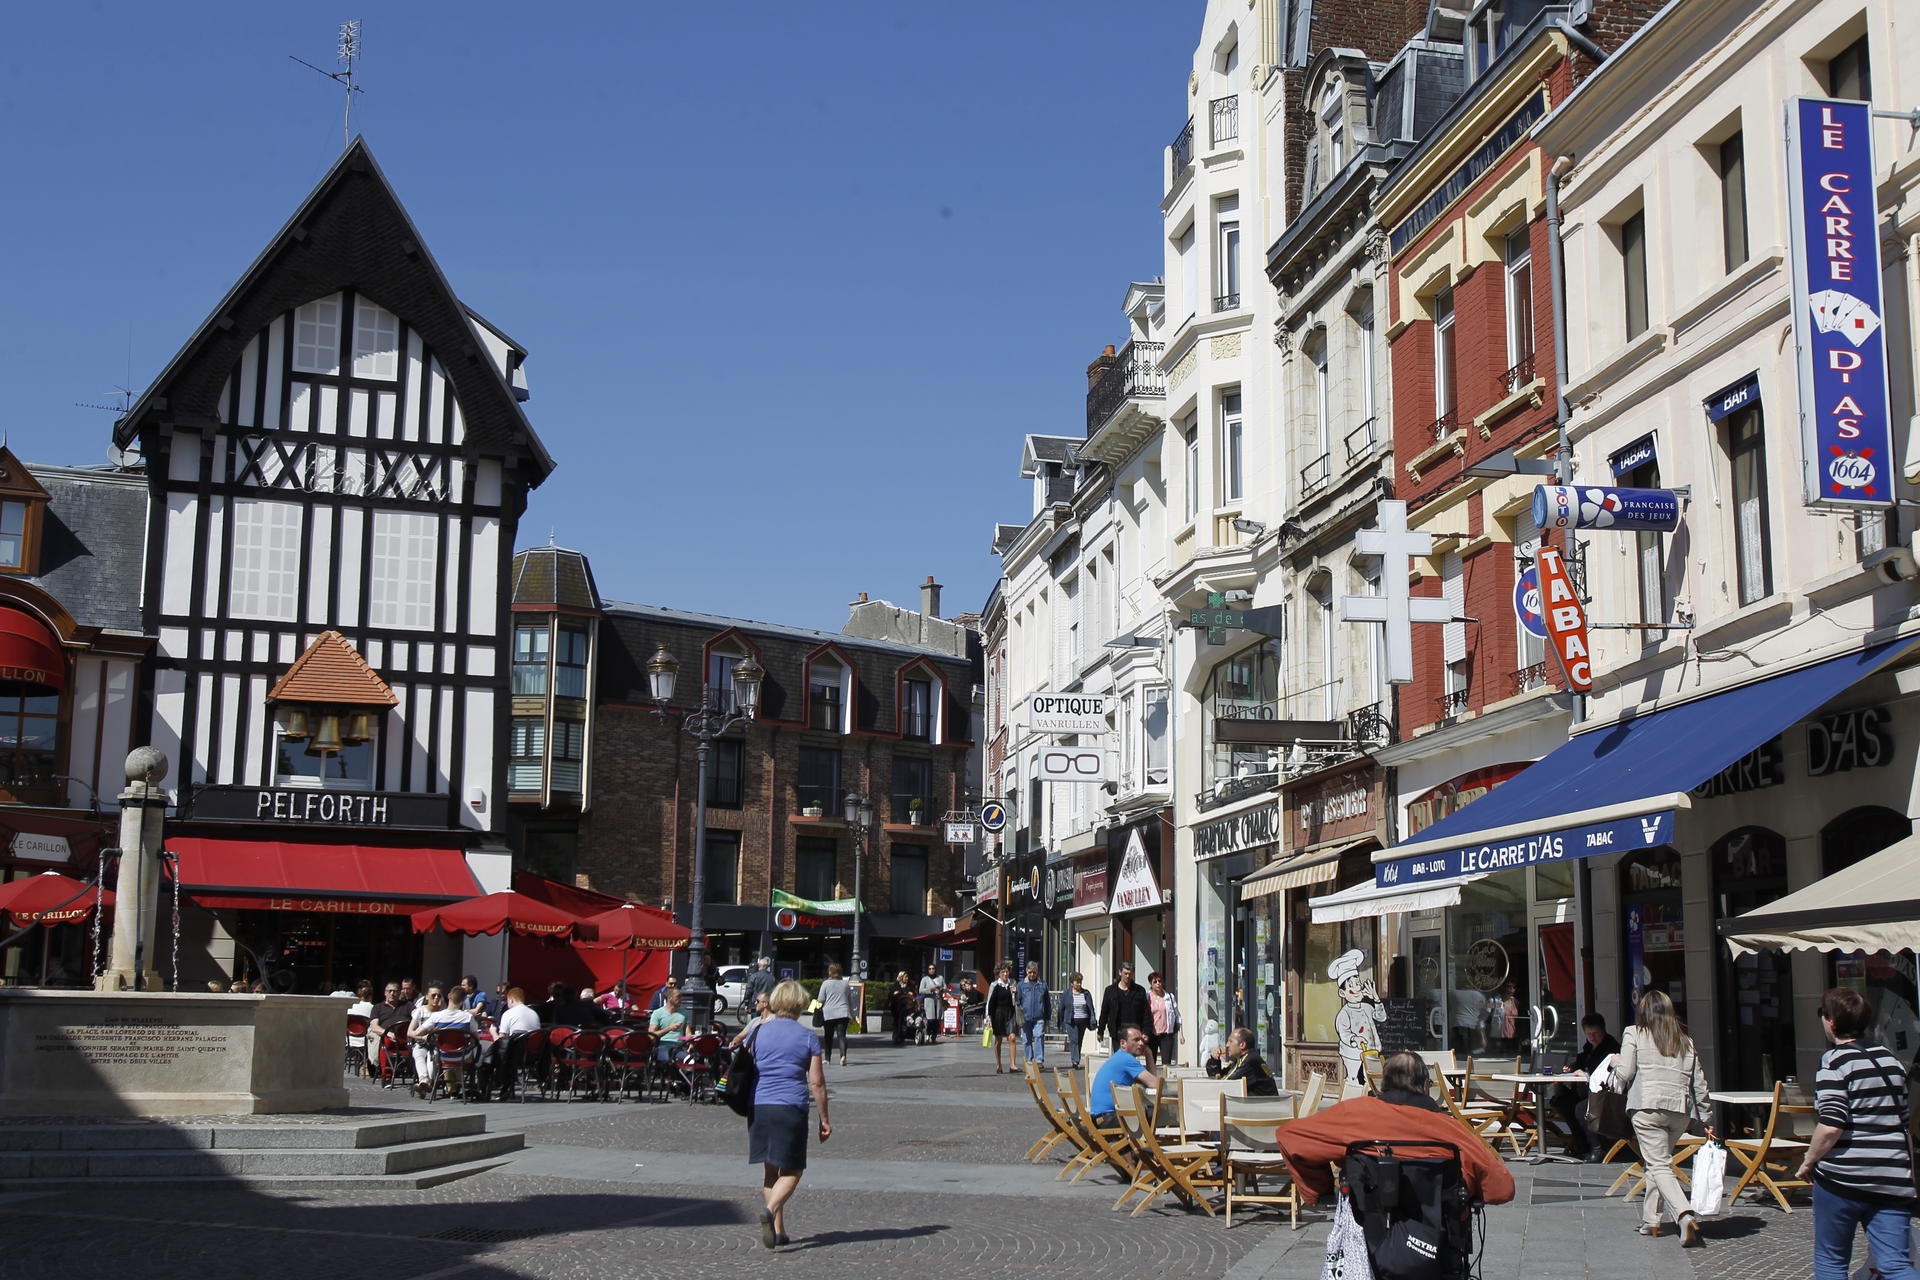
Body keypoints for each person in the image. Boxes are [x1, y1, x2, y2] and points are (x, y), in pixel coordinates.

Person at [1277, 1051, 1515, 1205]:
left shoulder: (1355, 1114)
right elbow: (1502, 1189)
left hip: (1370, 1221)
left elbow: (1290, 1136)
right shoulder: (1450, 1129)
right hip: (1437, 1229)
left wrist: (1321, 1191)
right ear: (1425, 1086)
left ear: (1384, 1084)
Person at [1796, 986, 1916, 1280]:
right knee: (1896, 1265)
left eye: (1822, 1014)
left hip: (1843, 1178)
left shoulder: (1834, 1062)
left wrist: (1809, 1161)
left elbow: (1832, 1124)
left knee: (1831, 1261)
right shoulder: (1891, 1061)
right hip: (1892, 1179)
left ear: (1831, 1022)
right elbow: (1902, 1122)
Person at [1611, 989, 1715, 1247]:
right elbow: (1699, 1083)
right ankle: (1651, 1220)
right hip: (1679, 1111)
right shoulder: (1685, 1041)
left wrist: (1615, 1060)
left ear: (1643, 1012)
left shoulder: (1634, 1033)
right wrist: (1707, 1117)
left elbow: (1625, 1072)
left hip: (1647, 1107)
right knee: (1657, 1162)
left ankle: (1684, 1214)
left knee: (1659, 1165)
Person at [745, 979, 831, 1250]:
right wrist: (824, 1119)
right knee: (793, 1169)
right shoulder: (806, 1036)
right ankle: (770, 1211)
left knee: (771, 1171)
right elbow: (816, 1082)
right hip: (790, 1107)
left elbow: (747, 1068)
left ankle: (779, 1231)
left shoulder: (757, 1032)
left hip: (759, 1106)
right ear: (800, 1004)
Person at [1551, 1013, 1621, 1161]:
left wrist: (1585, 1073)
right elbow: (1582, 1064)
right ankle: (1580, 1142)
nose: (1592, 1037)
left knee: (1581, 1108)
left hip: (1606, 1094)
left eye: (1595, 1033)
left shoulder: (1611, 1048)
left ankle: (1597, 1147)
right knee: (1561, 1100)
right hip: (1587, 1090)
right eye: (1588, 1034)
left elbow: (1605, 1073)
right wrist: (1573, 1068)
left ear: (1603, 1031)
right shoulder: (1588, 1048)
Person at [407, 983, 474, 1098]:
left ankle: (426, 1084)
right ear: (427, 997)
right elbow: (410, 1032)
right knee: (419, 1054)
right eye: (433, 995)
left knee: (433, 1057)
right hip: (422, 1042)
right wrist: (423, 1037)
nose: (436, 998)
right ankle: (425, 1081)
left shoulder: (443, 1012)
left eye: (439, 995)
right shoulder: (420, 1011)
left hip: (438, 1046)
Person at [1088, 1024, 1162, 1124]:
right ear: (1123, 1043)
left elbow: (1151, 1083)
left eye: (1142, 1040)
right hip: (1109, 1119)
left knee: (1153, 1112)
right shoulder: (1126, 1059)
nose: (1141, 1043)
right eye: (1136, 1040)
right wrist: (1149, 1055)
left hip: (1100, 1118)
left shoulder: (1120, 1057)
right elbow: (1156, 1084)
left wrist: (1148, 1054)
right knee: (1163, 1113)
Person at [1205, 1026, 1279, 1096]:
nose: (1227, 1045)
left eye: (1230, 1041)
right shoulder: (1244, 1058)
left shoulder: (1249, 1062)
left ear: (1242, 1045)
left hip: (1263, 1107)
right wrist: (1214, 1060)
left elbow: (1224, 1084)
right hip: (1259, 1105)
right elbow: (1220, 1077)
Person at [1097, 964, 1150, 1051]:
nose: (1128, 976)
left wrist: (1146, 1031)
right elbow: (1104, 1012)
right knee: (1119, 1056)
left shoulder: (1139, 991)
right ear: (1120, 972)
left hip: (1134, 1031)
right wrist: (1100, 1031)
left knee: (1131, 1057)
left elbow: (1146, 1013)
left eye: (1130, 974)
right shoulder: (1110, 990)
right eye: (1125, 973)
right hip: (1117, 1031)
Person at [1146, 971, 1183, 1069]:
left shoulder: (1169, 997)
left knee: (1166, 1064)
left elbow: (1177, 1016)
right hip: (1152, 1034)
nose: (1158, 983)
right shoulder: (1147, 997)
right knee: (1150, 1063)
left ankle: (1165, 1082)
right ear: (1151, 984)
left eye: (1159, 981)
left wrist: (1181, 1035)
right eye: (1155, 982)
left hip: (1166, 1034)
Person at [818, 963, 852, 1067]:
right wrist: (852, 1014)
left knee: (828, 1036)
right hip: (843, 1013)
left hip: (829, 1014)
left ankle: (827, 1058)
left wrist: (811, 1010)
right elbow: (849, 1001)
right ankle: (843, 1056)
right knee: (842, 1036)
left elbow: (820, 999)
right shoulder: (845, 984)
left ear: (830, 972)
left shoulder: (825, 984)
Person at [1016, 962, 1050, 1068]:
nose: (1032, 974)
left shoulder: (1042, 984)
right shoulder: (1021, 985)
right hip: (1025, 1017)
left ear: (1037, 972)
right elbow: (1018, 1001)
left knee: (1039, 1036)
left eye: (1034, 972)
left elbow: (1047, 1002)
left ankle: (1039, 1061)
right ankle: (1029, 1060)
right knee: (1026, 1040)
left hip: (1039, 1016)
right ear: (1026, 971)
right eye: (1030, 972)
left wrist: (1048, 1016)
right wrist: (1019, 1013)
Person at [986, 963, 1018, 1073]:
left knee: (1012, 1037)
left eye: (1007, 971)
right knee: (998, 1040)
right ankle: (999, 1065)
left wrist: (1015, 993)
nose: (1005, 974)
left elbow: (1016, 1001)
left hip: (1010, 1013)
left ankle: (1013, 1065)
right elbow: (989, 1002)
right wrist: (988, 1018)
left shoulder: (1012, 983)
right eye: (1003, 972)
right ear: (999, 974)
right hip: (998, 1014)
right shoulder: (994, 985)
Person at [649, 985, 689, 1069]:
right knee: (668, 1061)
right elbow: (651, 1035)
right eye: (678, 997)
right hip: (663, 1046)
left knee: (691, 1061)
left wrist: (691, 1042)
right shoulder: (657, 1013)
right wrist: (669, 1028)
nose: (681, 999)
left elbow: (688, 1032)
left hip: (679, 1046)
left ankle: (685, 1081)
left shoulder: (684, 1013)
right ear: (670, 998)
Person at [1064, 972, 1095, 1068]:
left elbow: (1090, 1007)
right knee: (1074, 1040)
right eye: (1077, 982)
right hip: (1071, 1021)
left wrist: (1092, 1018)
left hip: (1083, 1020)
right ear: (1072, 983)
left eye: (1080, 982)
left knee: (1079, 1040)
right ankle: (1075, 1061)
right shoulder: (1067, 994)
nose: (1079, 984)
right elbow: (1062, 1008)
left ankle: (1076, 1059)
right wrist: (1060, 1022)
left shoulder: (1086, 993)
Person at [1449, 982, 1488, 1057]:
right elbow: (1484, 1010)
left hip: (1456, 1024)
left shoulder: (1452, 993)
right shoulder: (1477, 995)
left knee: (1457, 1049)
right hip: (1471, 1024)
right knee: (1469, 1048)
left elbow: (1448, 1006)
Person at [919, 965, 948, 1042]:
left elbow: (945, 987)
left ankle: (934, 1035)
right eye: (930, 969)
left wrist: (942, 989)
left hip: (938, 1000)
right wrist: (930, 990)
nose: (931, 970)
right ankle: (928, 1034)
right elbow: (921, 990)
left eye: (933, 968)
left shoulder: (940, 978)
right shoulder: (925, 979)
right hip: (929, 1000)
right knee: (930, 1019)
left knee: (937, 1020)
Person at [889, 971, 917, 1046]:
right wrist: (896, 993)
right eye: (905, 977)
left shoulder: (910, 985)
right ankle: (896, 1035)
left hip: (907, 1007)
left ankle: (903, 1035)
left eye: (907, 977)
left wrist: (911, 993)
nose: (907, 979)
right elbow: (892, 993)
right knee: (897, 1022)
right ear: (901, 977)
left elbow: (913, 993)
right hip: (897, 1007)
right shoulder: (896, 985)